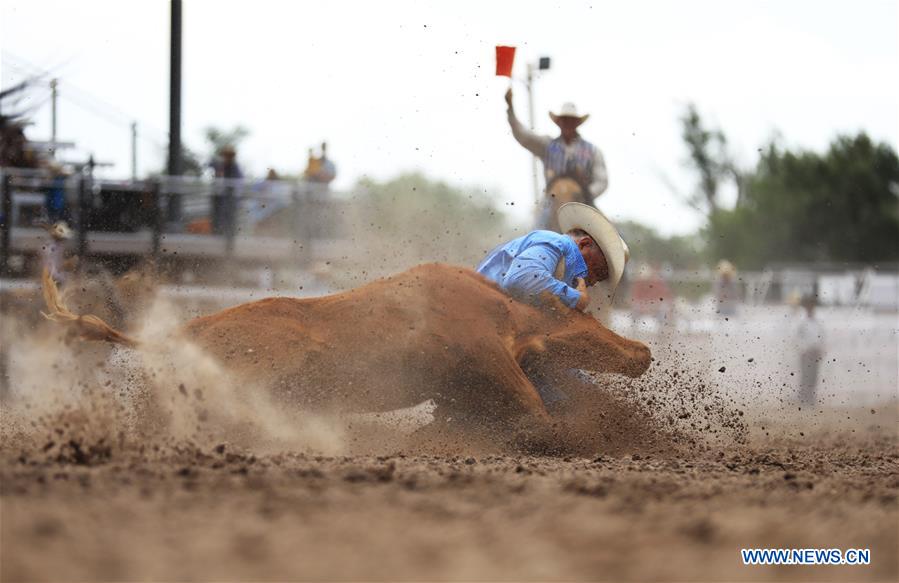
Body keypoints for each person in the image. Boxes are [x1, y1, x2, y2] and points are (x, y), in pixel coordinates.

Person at [477, 202, 628, 315]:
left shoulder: (560, 256)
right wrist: (576, 298)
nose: (593, 281)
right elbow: (522, 278)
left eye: (599, 279)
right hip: (482, 308)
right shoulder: (556, 243)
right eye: (597, 270)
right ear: (584, 244)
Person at [504, 89, 608, 230]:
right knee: (537, 232)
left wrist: (585, 194)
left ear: (577, 123)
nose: (567, 124)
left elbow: (602, 181)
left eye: (571, 120)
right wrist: (511, 110)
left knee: (610, 233)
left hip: (583, 202)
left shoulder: (592, 151)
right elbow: (523, 136)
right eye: (565, 120)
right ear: (559, 122)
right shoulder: (547, 146)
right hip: (552, 201)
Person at [795, 295, 825, 406]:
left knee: (813, 376)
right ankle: (804, 398)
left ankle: (810, 398)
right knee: (806, 375)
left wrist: (820, 348)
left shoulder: (817, 320)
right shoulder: (802, 321)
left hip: (815, 351)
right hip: (806, 352)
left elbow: (821, 336)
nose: (811, 307)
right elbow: (797, 337)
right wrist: (803, 349)